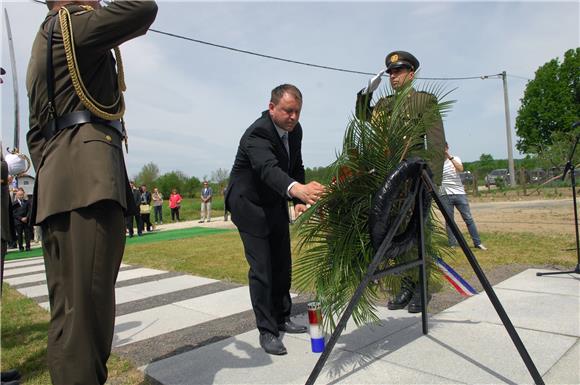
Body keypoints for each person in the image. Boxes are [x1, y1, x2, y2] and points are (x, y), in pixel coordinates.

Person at [25, 2, 157, 384]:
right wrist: (83, 163)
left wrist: (58, 170)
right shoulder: (75, 26)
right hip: (89, 184)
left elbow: (37, 135)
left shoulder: (43, 38)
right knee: (88, 318)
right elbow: (143, 8)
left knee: (67, 316)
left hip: (58, 184)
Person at [226, 84, 325, 355]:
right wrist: (297, 189)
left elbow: (295, 166)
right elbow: (268, 169)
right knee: (263, 269)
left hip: (274, 202)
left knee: (282, 263)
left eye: (297, 112)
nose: (293, 117)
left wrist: (299, 200)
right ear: (272, 108)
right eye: (288, 111)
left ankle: (283, 317)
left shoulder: (295, 132)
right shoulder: (257, 132)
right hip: (248, 205)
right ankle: (267, 331)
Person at [356, 51, 446, 313]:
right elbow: (364, 115)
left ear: (411, 74)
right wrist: (366, 93)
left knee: (419, 233)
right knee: (395, 234)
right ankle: (405, 285)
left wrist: (432, 181)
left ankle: (422, 287)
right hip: (392, 181)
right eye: (391, 73)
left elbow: (436, 142)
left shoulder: (424, 101)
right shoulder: (384, 105)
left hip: (416, 177)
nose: (393, 77)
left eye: (398, 71)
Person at [441, 143, 487, 250]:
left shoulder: (455, 158)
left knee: (468, 218)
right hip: (445, 194)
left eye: (444, 148)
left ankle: (477, 242)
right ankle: (452, 243)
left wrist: (449, 157)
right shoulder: (437, 163)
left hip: (459, 193)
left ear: (447, 148)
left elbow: (460, 168)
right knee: (449, 220)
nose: (443, 150)